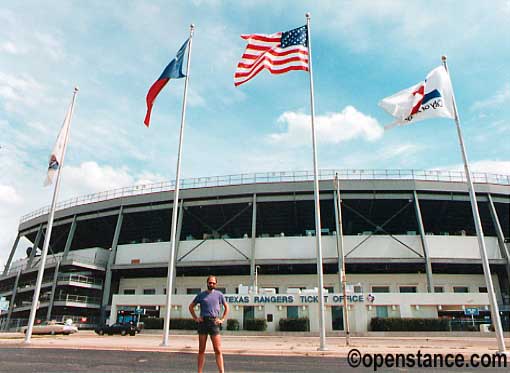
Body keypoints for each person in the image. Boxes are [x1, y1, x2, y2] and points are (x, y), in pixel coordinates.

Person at [189, 275, 229, 373]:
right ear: (207, 283)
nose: (211, 284)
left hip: (214, 322)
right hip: (203, 323)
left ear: (216, 284)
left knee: (218, 350)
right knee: (201, 350)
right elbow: (191, 306)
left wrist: (222, 319)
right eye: (210, 282)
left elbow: (226, 307)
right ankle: (199, 371)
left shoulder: (219, 295)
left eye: (213, 283)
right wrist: (196, 318)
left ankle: (221, 371)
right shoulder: (201, 295)